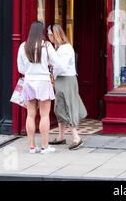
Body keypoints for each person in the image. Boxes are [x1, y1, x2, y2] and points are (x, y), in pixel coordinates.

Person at [17, 21, 63, 154]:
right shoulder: (47, 46)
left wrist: (30, 71)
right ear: (41, 31)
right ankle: (45, 146)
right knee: (44, 115)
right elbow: (58, 65)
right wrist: (51, 72)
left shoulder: (23, 46)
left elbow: (21, 68)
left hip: (29, 81)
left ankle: (31, 146)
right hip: (43, 81)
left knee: (30, 115)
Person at [47, 24, 87, 150]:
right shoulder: (59, 48)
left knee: (68, 107)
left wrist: (52, 73)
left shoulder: (65, 48)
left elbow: (61, 67)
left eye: (50, 34)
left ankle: (76, 138)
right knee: (59, 107)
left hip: (66, 80)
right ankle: (61, 136)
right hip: (61, 80)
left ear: (55, 34)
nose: (49, 37)